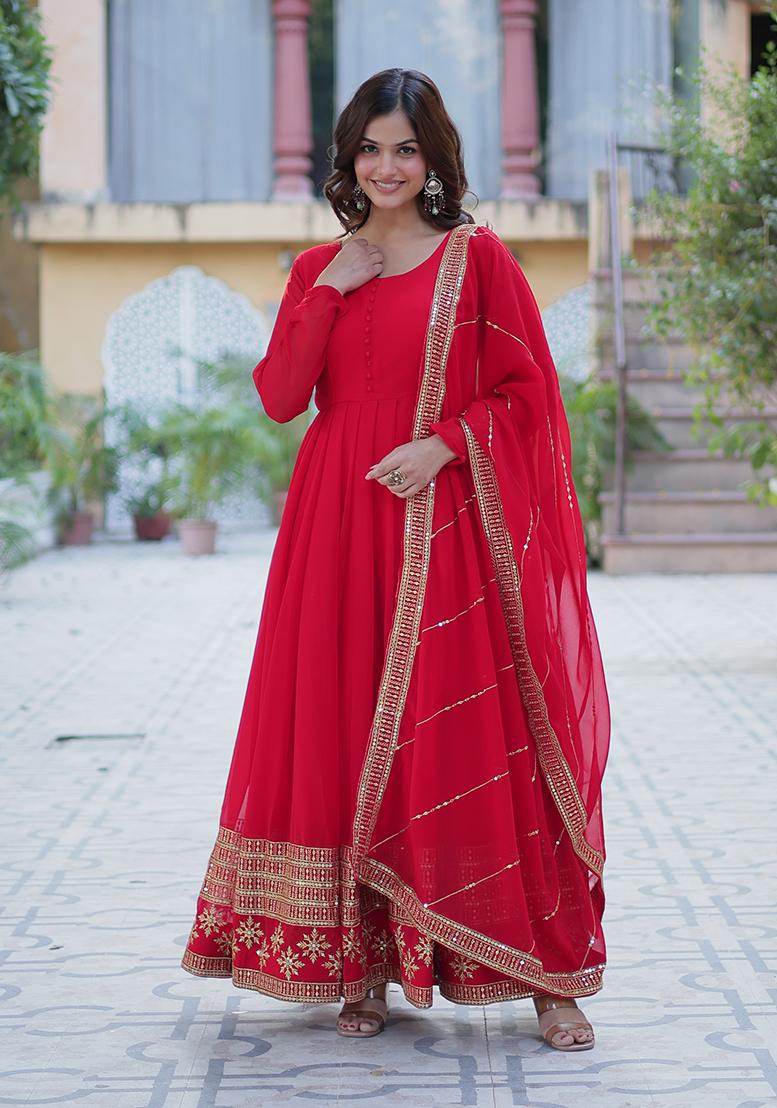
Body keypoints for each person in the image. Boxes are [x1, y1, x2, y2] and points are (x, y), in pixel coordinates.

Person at [181, 68, 610, 1051]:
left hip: (442, 531)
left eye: (404, 149)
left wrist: (447, 442)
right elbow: (283, 398)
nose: (386, 166)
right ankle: (360, 964)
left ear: (434, 160)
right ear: (348, 159)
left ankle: (547, 974)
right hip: (335, 532)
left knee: (472, 736)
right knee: (341, 730)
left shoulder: (478, 259)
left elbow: (528, 396)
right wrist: (327, 290)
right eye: (370, 148)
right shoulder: (317, 271)